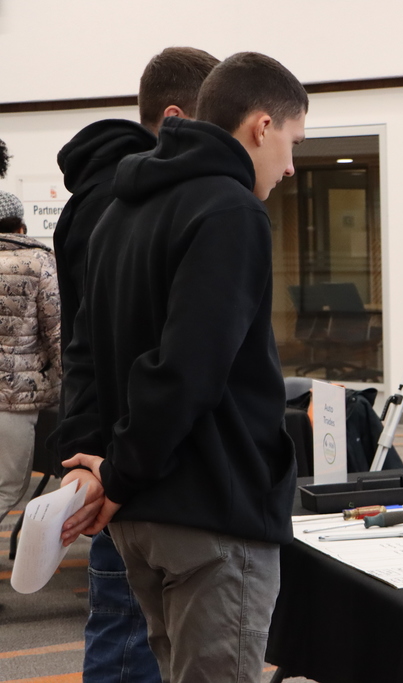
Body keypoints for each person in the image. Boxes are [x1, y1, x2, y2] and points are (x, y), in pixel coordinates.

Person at [56, 51, 306, 683]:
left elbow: (85, 351)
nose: (292, 165)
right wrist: (116, 471)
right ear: (259, 127)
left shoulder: (120, 208)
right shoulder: (230, 211)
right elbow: (187, 370)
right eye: (292, 141)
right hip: (209, 510)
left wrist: (104, 465)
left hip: (142, 514)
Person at [53, 46, 219, 683]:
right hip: (128, 465)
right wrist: (106, 462)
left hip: (121, 457)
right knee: (128, 642)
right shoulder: (126, 199)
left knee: (131, 634)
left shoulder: (110, 193)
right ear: (175, 116)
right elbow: (112, 345)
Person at [0, 191, 61, 526]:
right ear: (21, 227)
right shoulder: (38, 262)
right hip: (15, 397)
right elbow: (58, 331)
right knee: (8, 488)